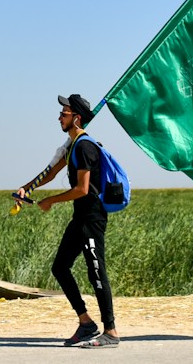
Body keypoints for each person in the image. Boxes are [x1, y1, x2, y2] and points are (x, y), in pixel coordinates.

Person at [13, 94, 120, 348]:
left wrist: (51, 201)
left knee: (96, 271)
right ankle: (86, 323)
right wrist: (27, 188)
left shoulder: (85, 146)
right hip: (80, 217)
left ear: (77, 118)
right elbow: (52, 172)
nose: (59, 117)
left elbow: (83, 189)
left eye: (64, 114)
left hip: (92, 217)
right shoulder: (72, 146)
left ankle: (111, 332)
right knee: (60, 268)